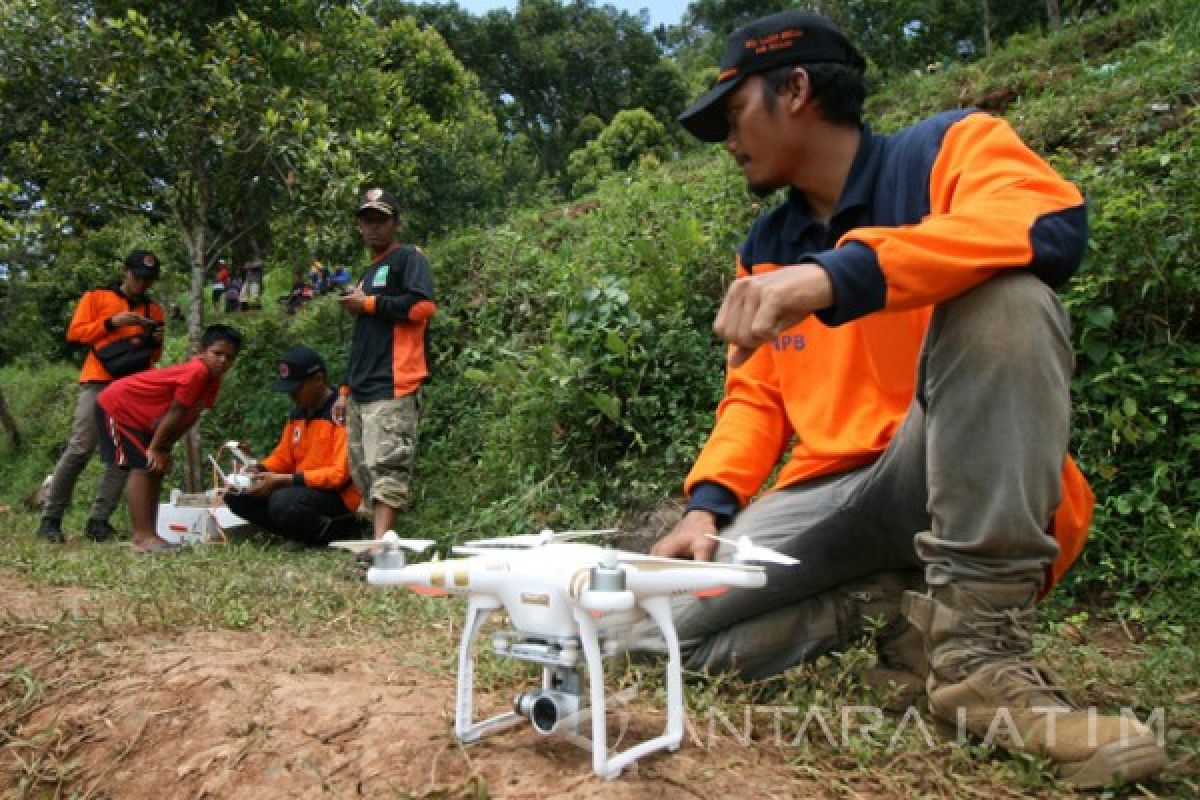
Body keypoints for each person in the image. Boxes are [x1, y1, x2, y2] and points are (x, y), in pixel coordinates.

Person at [648, 10, 1166, 788]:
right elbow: (754, 396)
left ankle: (980, 659)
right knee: (653, 638)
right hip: (828, 495)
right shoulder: (765, 247)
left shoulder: (948, 150)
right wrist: (705, 506)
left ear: (794, 88)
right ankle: (889, 620)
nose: (728, 139)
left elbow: (1048, 221)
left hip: (943, 464)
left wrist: (835, 275)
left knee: (1012, 299)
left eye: (733, 113)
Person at [38, 250, 167, 544]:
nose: (142, 284)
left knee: (123, 455)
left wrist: (155, 341)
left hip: (133, 386)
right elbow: (75, 333)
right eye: (138, 277)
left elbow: (153, 355)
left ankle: (99, 521)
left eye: (149, 280)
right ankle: (51, 517)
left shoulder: (154, 310)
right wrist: (112, 323)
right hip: (98, 379)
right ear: (125, 272)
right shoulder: (96, 298)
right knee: (80, 448)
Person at [333, 188, 435, 539]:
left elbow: (423, 307)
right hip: (362, 387)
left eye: (381, 219)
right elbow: (362, 339)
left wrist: (372, 304)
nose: (373, 227)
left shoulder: (409, 259)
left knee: (388, 467)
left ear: (396, 223)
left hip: (395, 382)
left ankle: (381, 551)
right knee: (363, 471)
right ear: (359, 226)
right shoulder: (366, 273)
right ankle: (375, 547)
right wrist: (344, 390)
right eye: (367, 220)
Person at [95, 324, 242, 553]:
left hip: (144, 418)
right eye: (217, 353)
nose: (222, 360)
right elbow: (176, 412)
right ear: (202, 352)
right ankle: (142, 537)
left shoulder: (213, 379)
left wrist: (164, 449)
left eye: (229, 357)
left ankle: (150, 534)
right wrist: (154, 448)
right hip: (119, 407)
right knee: (143, 466)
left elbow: (190, 416)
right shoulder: (198, 372)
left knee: (155, 467)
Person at [223, 345, 361, 546]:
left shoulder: (339, 413)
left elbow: (339, 476)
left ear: (318, 380)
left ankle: (327, 536)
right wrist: (257, 470)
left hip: (338, 497)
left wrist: (284, 480)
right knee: (236, 496)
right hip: (300, 488)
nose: (292, 396)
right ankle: (294, 535)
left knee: (283, 500)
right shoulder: (297, 414)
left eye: (297, 389)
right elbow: (283, 457)